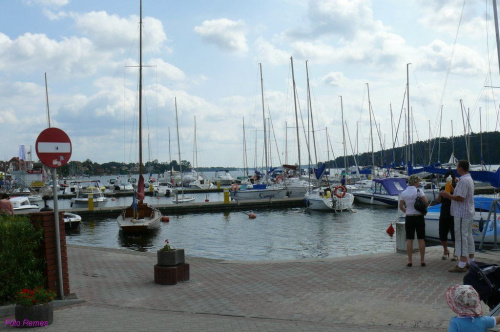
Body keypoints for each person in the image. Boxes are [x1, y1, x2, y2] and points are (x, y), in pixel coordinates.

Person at [440, 160, 475, 273]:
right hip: (468, 212)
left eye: (457, 166)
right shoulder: (469, 179)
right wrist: (453, 190)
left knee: (461, 237)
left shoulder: (463, 181)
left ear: (461, 168)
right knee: (468, 236)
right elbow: (461, 194)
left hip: (461, 213)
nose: (456, 168)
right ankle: (470, 260)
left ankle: (462, 264)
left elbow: (461, 198)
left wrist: (447, 195)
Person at [399, 174, 429, 267]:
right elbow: (426, 202)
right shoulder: (419, 191)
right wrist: (423, 209)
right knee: (421, 238)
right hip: (419, 216)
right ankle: (422, 260)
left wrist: (406, 211)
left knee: (409, 239)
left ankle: (410, 260)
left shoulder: (404, 193)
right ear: (415, 182)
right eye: (418, 182)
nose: (419, 183)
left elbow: (401, 206)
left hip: (409, 216)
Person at [435, 171, 457, 261]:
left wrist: (452, 191)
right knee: (442, 233)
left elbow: (459, 199)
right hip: (444, 212)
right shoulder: (443, 188)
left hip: (454, 213)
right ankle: (445, 250)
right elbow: (438, 201)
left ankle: (456, 252)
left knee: (454, 234)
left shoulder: (456, 187)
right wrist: (440, 195)